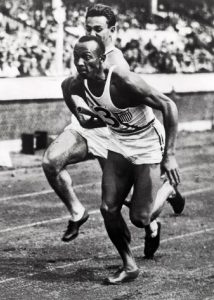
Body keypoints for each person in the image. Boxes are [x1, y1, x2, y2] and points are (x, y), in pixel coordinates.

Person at [42, 4, 184, 244]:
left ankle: (153, 221)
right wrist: (78, 111)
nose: (92, 33)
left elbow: (153, 104)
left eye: (98, 29)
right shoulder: (85, 48)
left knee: (132, 206)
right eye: (88, 28)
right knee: (51, 161)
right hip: (91, 126)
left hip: (114, 131)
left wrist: (168, 153)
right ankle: (78, 213)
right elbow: (71, 85)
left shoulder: (117, 65)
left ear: (112, 30)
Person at [64, 35, 182, 284]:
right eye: (76, 57)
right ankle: (129, 265)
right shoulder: (76, 84)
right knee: (108, 208)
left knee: (140, 218)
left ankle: (168, 189)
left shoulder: (123, 81)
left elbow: (168, 105)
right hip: (118, 142)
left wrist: (169, 155)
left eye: (86, 57)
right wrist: (84, 118)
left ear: (101, 59)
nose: (80, 62)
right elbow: (67, 92)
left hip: (148, 143)